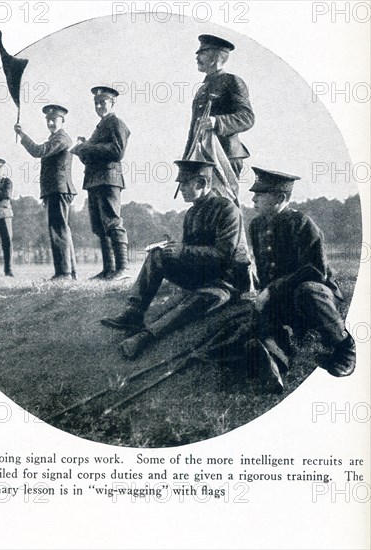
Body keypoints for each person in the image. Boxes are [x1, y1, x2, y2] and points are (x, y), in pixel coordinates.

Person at [101, 160, 244, 359]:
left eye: (185, 184)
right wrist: (174, 249)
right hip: (200, 276)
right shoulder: (192, 213)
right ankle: (134, 312)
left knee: (197, 302)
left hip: (224, 282)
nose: (181, 189)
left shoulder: (227, 210)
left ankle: (144, 338)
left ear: (201, 184)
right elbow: (191, 250)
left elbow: (224, 254)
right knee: (157, 255)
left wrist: (183, 251)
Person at [248, 167, 356, 392]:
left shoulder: (302, 223)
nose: (253, 197)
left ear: (280, 197)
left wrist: (272, 290)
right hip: (283, 299)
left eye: (261, 193)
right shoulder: (256, 226)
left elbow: (316, 271)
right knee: (259, 321)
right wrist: (262, 291)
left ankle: (344, 347)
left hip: (312, 296)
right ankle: (276, 362)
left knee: (307, 290)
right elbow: (265, 269)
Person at [183, 34, 255, 199]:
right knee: (204, 204)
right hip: (201, 157)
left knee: (224, 203)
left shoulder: (232, 82)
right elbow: (194, 129)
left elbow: (247, 117)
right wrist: (187, 159)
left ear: (214, 57)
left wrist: (217, 122)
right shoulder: (202, 89)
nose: (197, 56)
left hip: (225, 155)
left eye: (202, 52)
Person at [72, 86, 131, 281]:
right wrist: (81, 150)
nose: (99, 106)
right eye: (96, 103)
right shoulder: (100, 127)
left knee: (112, 222)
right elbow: (91, 158)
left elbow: (117, 151)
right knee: (99, 226)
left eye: (103, 102)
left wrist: (88, 146)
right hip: (95, 180)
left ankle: (123, 269)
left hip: (109, 178)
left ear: (112, 103)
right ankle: (109, 269)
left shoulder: (116, 123)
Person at [15, 104, 77, 280]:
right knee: (62, 229)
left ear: (62, 121)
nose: (50, 122)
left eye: (54, 119)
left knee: (59, 230)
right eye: (48, 120)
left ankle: (64, 273)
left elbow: (38, 151)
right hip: (55, 190)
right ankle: (69, 272)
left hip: (59, 189)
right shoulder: (56, 138)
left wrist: (22, 135)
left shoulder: (61, 139)